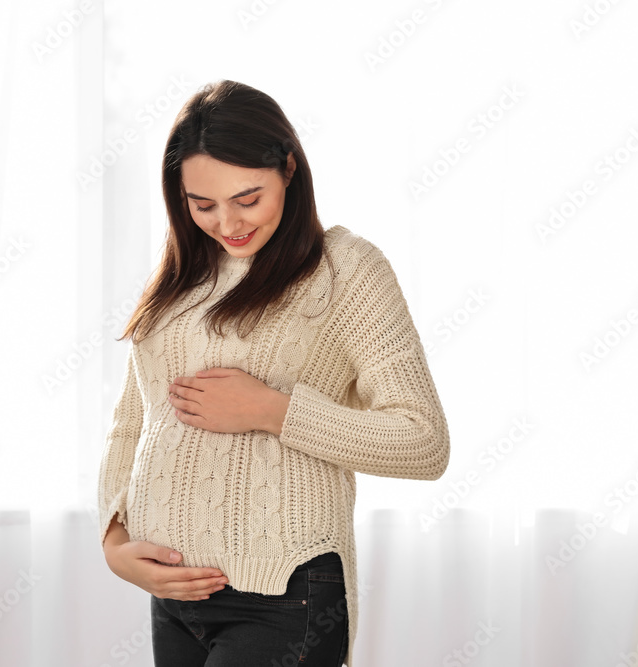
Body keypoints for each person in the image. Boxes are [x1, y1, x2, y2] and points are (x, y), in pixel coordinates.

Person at [96, 79, 450, 667]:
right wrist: (113, 540)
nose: (227, 222)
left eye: (247, 197)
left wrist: (272, 409)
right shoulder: (182, 275)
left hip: (284, 596)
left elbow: (423, 440)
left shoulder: (346, 271)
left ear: (289, 169)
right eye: (202, 204)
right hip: (175, 594)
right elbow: (132, 422)